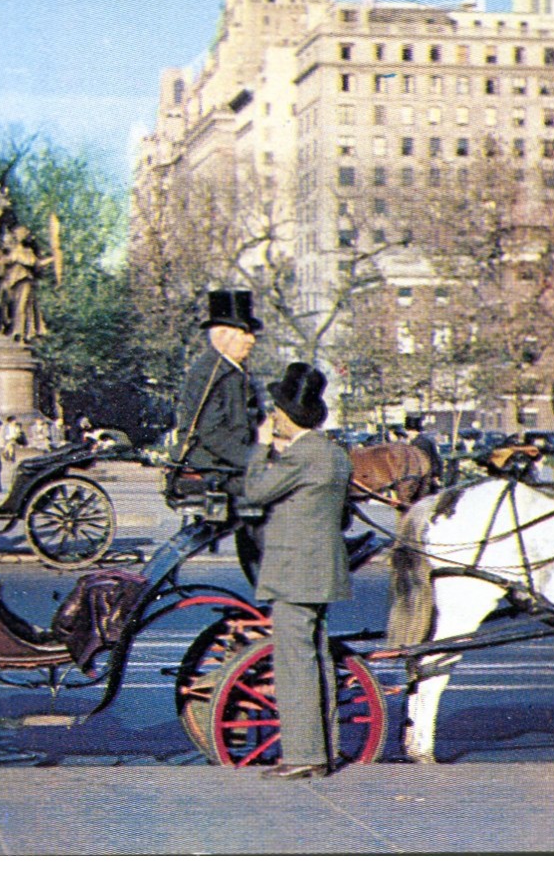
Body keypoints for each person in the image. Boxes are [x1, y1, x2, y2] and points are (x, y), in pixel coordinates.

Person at [241, 362, 353, 780]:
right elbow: (340, 518)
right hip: (322, 571)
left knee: (294, 663)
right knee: (317, 658)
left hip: (294, 573)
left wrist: (261, 447)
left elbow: (255, 492)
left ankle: (304, 754)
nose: (272, 417)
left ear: (286, 416)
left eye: (276, 411)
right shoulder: (335, 454)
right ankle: (325, 749)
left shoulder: (303, 455)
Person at [171, 289, 265, 566]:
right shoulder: (210, 372)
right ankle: (279, 567)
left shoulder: (232, 369)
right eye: (245, 332)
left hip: (225, 462)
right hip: (212, 466)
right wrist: (255, 462)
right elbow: (212, 434)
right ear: (223, 335)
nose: (252, 339)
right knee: (280, 487)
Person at [404, 413, 444, 489]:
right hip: (431, 473)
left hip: (425, 477)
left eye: (408, 431)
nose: (407, 433)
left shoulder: (418, 443)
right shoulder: (425, 440)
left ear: (412, 431)